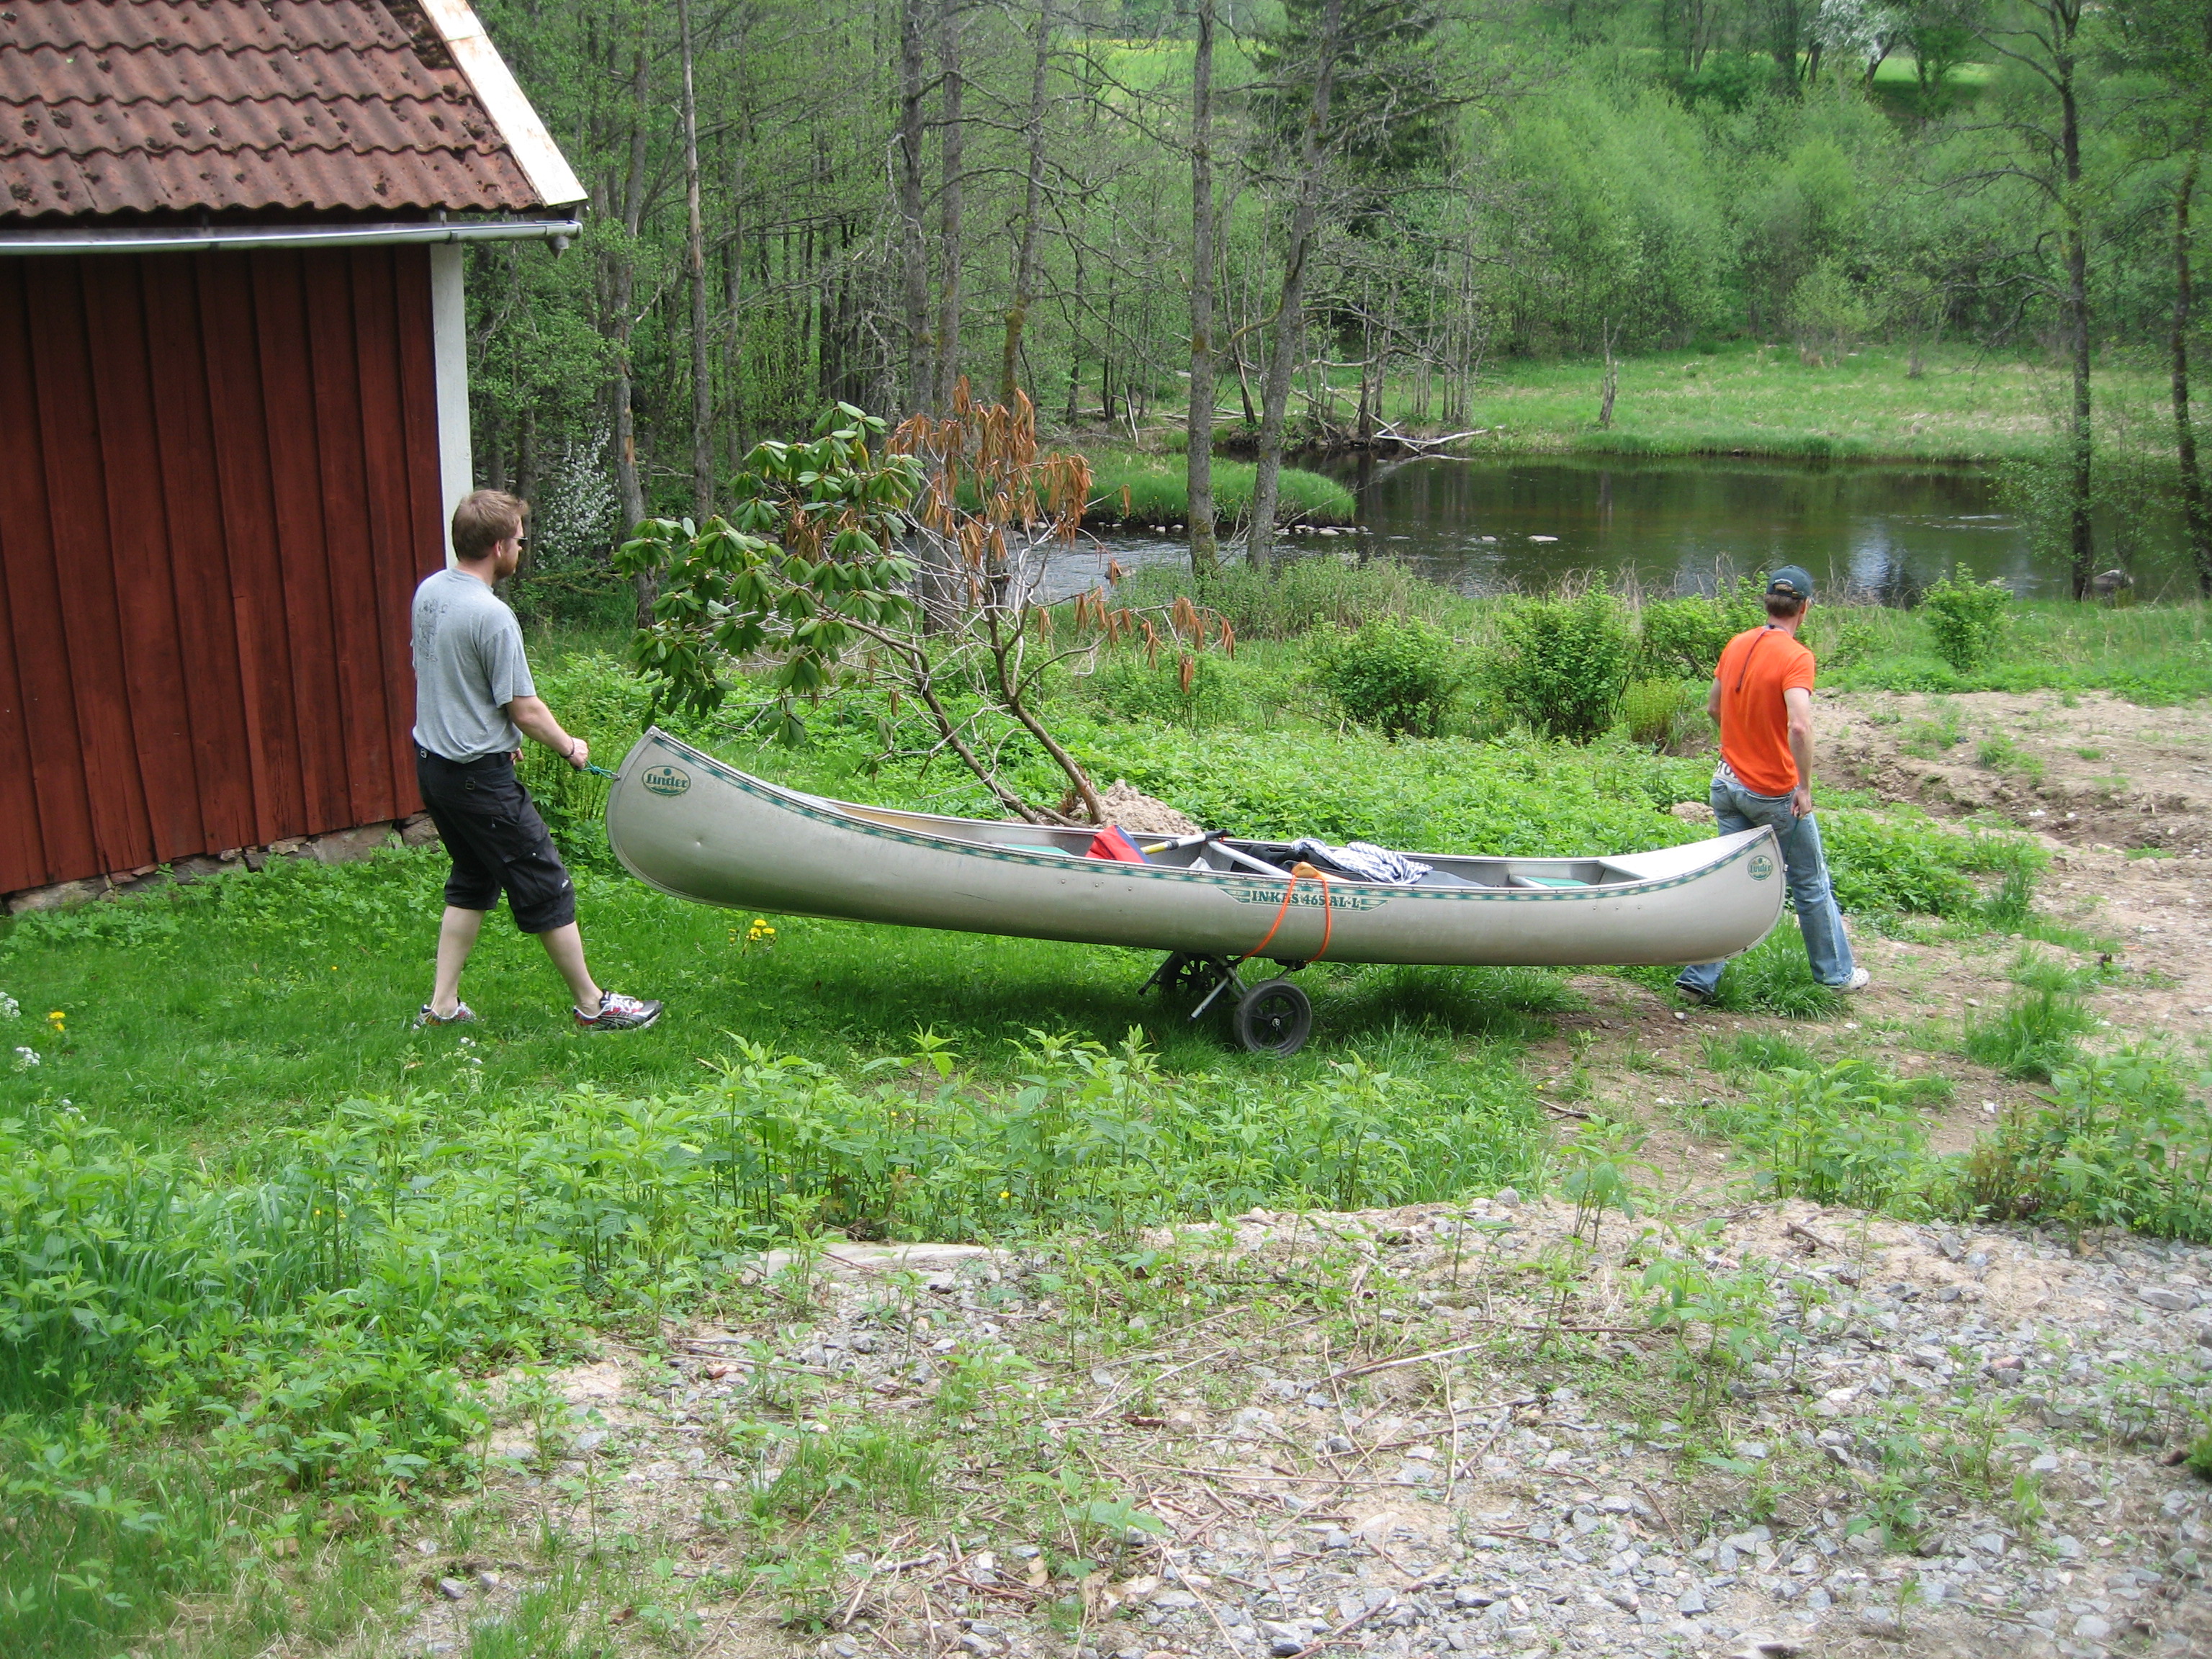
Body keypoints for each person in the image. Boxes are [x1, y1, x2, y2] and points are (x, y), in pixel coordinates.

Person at [410, 490, 662, 1032]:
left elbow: (450, 677)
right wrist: (570, 747)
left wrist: (494, 733)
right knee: (545, 882)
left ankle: (442, 1008)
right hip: (477, 779)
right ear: (500, 546)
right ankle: (593, 1006)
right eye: (520, 541)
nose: (522, 549)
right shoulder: (491, 615)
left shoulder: (430, 592)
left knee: (473, 877)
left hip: (435, 767)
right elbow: (525, 709)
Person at [1674, 565, 1869, 1003]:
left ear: (1767, 602)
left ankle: (1697, 980)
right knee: (1810, 882)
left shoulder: (1737, 643)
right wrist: (1804, 787)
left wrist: (1739, 744)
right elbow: (1799, 726)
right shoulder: (1796, 656)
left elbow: (1713, 707)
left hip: (1726, 783)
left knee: (1733, 880)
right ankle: (1836, 975)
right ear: (1805, 608)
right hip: (1772, 792)